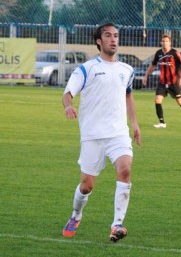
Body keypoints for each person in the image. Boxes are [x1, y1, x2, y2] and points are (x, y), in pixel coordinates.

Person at [62, 23, 141, 242]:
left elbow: (127, 95)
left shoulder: (127, 70)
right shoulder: (86, 69)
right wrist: (68, 105)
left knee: (125, 170)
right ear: (99, 41)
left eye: (116, 36)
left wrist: (134, 123)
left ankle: (117, 224)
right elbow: (68, 93)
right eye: (108, 36)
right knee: (87, 186)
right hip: (92, 135)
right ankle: (76, 215)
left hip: (118, 133)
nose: (113, 39)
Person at [142, 34, 181, 128]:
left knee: (180, 101)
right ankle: (162, 122)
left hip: (173, 82)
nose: (165, 43)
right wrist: (146, 76)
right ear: (161, 42)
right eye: (163, 41)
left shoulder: (174, 53)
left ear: (170, 42)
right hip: (162, 82)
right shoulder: (158, 53)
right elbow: (152, 65)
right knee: (157, 100)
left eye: (166, 41)